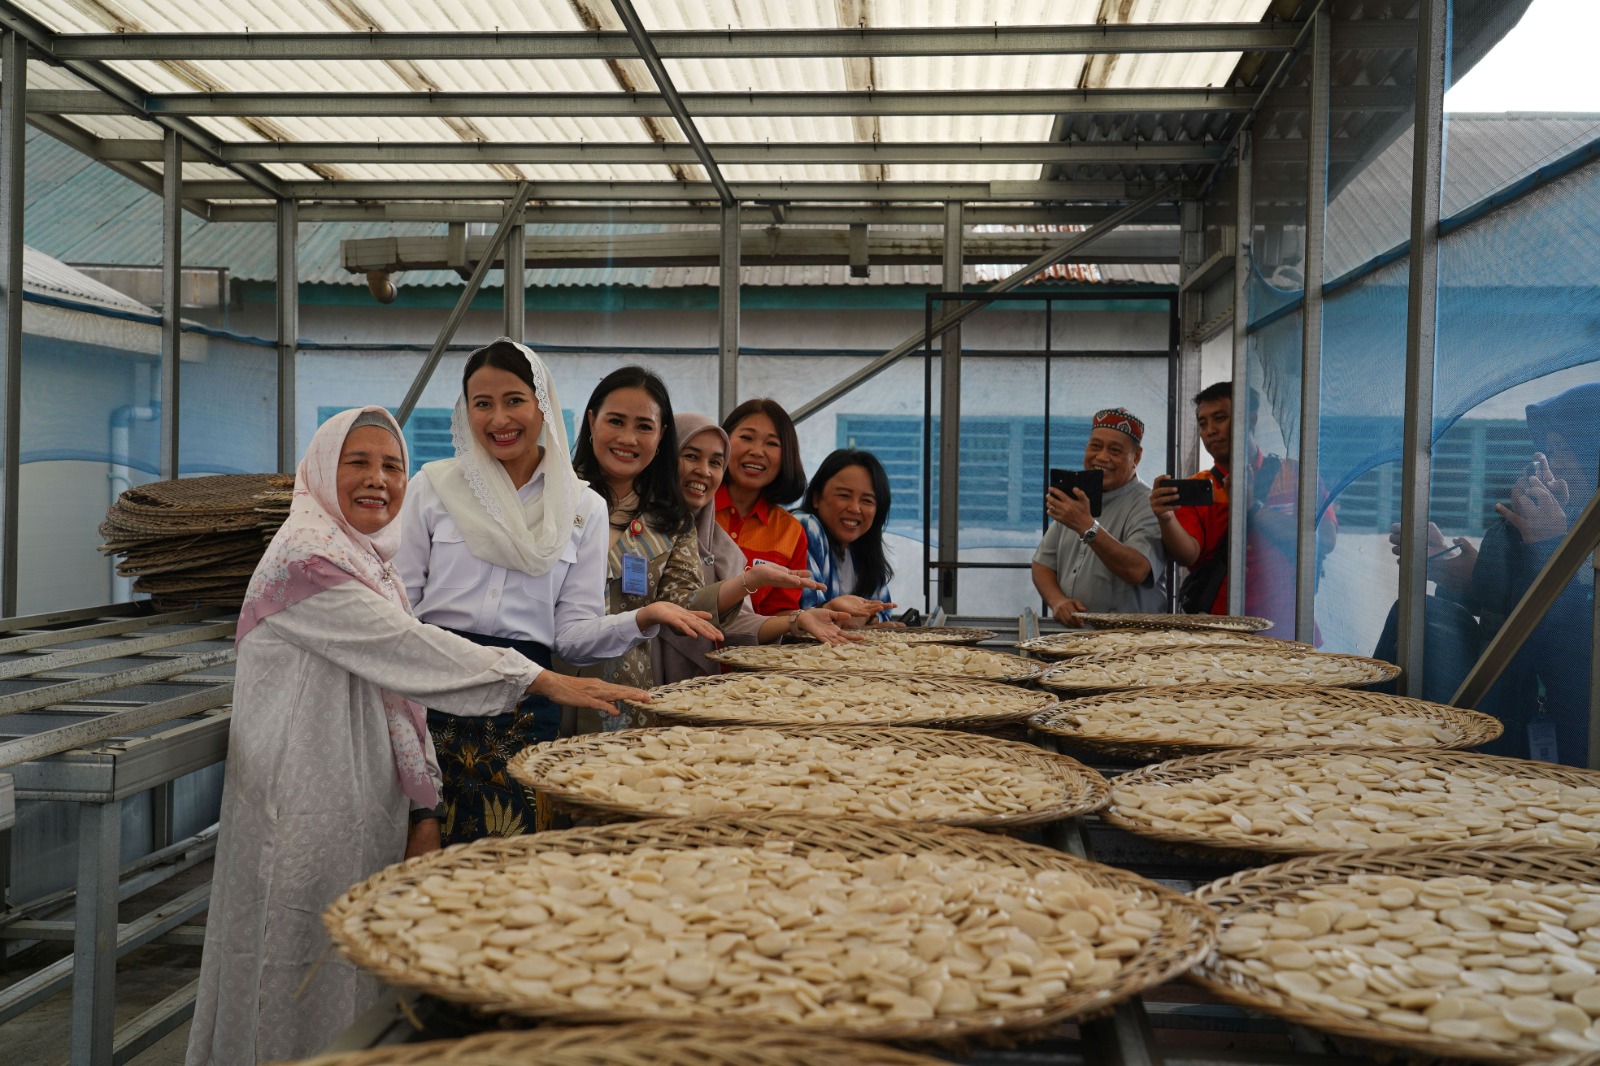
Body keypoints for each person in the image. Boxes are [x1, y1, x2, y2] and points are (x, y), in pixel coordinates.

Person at [186, 407, 647, 1066]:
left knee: (343, 956)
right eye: (358, 463)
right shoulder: (307, 558)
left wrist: (421, 807)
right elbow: (409, 650)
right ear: (321, 469)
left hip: (354, 790)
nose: (378, 480)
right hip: (301, 796)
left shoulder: (369, 558)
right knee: (290, 953)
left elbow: (401, 680)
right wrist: (537, 678)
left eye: (392, 466)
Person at [396, 341, 714, 843]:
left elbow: (571, 637)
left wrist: (643, 617)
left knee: (509, 868)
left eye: (514, 400)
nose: (499, 418)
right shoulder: (432, 488)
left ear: (542, 404)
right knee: (416, 863)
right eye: (482, 403)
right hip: (431, 698)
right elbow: (402, 611)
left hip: (523, 708)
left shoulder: (582, 506)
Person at [1383, 381, 1597, 765]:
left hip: (1571, 742)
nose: (1555, 464)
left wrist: (1546, 544)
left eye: (1565, 451)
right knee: (1417, 615)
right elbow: (1509, 604)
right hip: (1513, 702)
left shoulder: (1576, 536)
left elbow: (1568, 653)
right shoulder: (1568, 518)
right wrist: (1450, 564)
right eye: (1550, 452)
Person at [655, 413, 858, 683]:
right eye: (691, 456)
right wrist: (750, 582)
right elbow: (672, 607)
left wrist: (798, 620)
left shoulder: (773, 533)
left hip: (716, 681)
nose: (757, 451)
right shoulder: (637, 526)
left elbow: (737, 619)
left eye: (715, 462)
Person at [570, 367, 722, 726]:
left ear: (661, 435)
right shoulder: (553, 497)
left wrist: (749, 582)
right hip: (545, 683)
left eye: (644, 426)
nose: (628, 438)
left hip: (623, 696)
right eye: (616, 421)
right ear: (591, 421)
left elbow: (683, 604)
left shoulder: (672, 521)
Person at [1148, 381, 1337, 639]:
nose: (1210, 431)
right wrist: (1166, 518)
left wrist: (1253, 509)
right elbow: (1188, 555)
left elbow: (1325, 539)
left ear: (1251, 420)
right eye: (1202, 423)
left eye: (1220, 418)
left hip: (1288, 628)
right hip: (1218, 632)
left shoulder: (1295, 475)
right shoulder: (1199, 487)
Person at [1032, 407, 1168, 625]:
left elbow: (1137, 570)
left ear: (1137, 456)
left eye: (1115, 450)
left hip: (1131, 638)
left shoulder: (1151, 504)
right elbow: (1042, 564)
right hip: (1073, 634)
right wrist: (1058, 601)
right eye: (1095, 446)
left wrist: (1087, 527)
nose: (1102, 457)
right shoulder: (1076, 497)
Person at [715, 398, 811, 615]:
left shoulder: (790, 532)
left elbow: (778, 613)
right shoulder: (694, 508)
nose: (757, 451)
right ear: (723, 442)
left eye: (772, 443)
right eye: (746, 438)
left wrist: (816, 615)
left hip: (750, 637)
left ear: (787, 456)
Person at [795, 449, 900, 626]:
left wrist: (868, 617)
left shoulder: (862, 545)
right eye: (844, 495)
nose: (855, 508)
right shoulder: (805, 526)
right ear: (816, 498)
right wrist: (863, 619)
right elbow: (811, 610)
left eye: (867, 500)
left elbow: (884, 611)